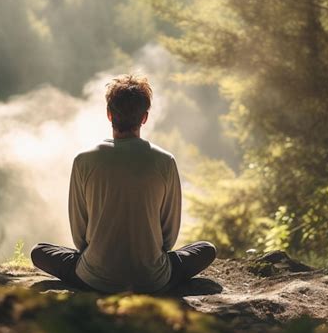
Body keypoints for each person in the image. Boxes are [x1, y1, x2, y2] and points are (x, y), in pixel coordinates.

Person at [31, 74, 216, 293]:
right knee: (206, 249)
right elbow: (169, 237)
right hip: (153, 279)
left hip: (95, 278)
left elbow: (79, 236)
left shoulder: (83, 160)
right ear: (145, 118)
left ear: (109, 115)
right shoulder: (165, 161)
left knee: (39, 251)